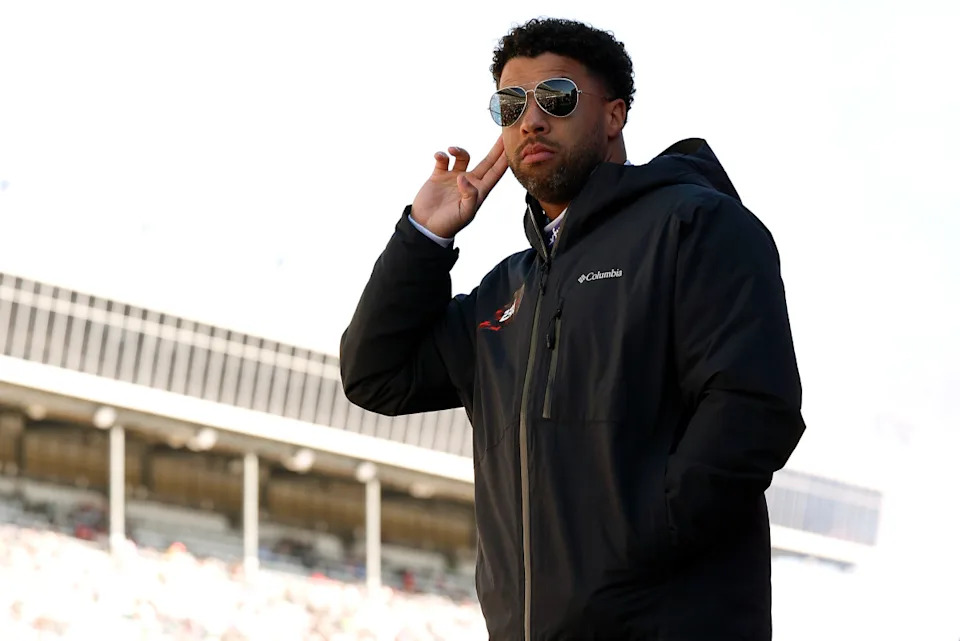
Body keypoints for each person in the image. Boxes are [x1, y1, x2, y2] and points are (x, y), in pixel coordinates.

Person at [340, 17, 805, 641]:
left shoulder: (695, 226)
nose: (530, 120)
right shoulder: (507, 292)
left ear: (613, 116)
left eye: (555, 98)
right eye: (511, 104)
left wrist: (639, 542)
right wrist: (425, 235)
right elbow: (376, 376)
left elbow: (754, 406)